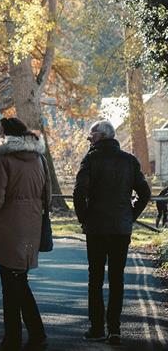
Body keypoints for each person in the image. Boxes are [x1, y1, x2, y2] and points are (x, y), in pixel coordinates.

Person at [73, 120, 151, 346]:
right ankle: (114, 330)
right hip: (120, 228)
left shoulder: (90, 160)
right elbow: (144, 193)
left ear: (100, 136)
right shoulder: (129, 161)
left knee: (95, 278)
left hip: (96, 228)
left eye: (91, 136)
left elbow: (79, 192)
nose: (89, 140)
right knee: (117, 279)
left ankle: (97, 328)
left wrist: (84, 218)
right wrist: (130, 215)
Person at [0, 117, 50, 351]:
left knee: (11, 283)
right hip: (32, 222)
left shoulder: (3, 159)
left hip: (9, 224)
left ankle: (16, 337)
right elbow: (48, 193)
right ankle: (33, 334)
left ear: (7, 134)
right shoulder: (39, 158)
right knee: (19, 280)